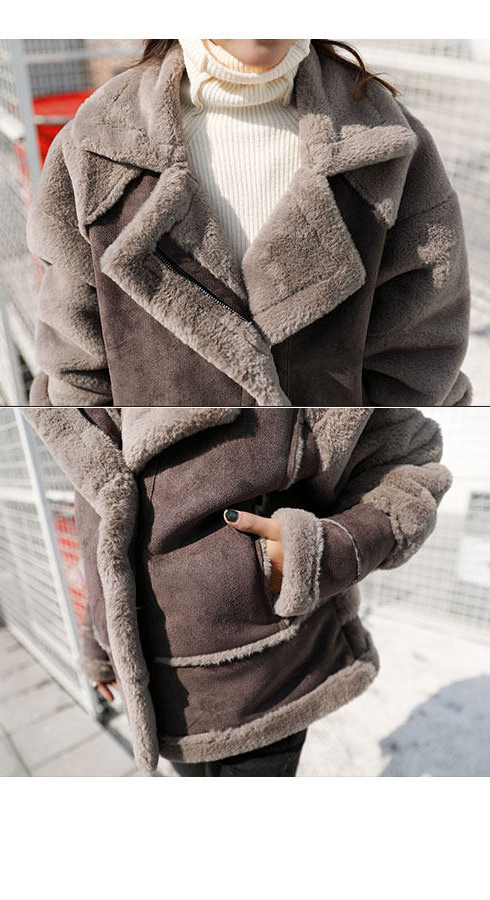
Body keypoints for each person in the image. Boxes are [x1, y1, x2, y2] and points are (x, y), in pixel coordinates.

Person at [25, 39, 472, 407]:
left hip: (340, 487)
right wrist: (116, 489)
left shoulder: (389, 147)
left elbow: (421, 369)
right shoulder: (94, 148)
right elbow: (75, 381)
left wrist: (366, 493)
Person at [23, 405, 452, 776]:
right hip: (163, 693)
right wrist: (100, 642)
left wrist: (314, 554)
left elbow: (407, 455)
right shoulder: (74, 356)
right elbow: (103, 525)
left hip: (267, 675)